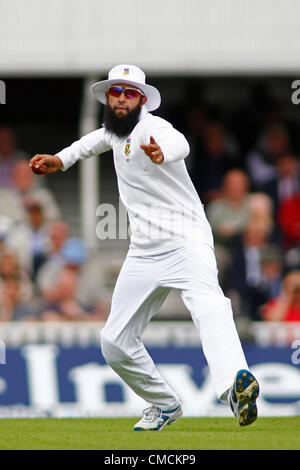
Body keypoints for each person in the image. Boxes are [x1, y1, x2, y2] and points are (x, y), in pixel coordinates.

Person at [29, 64, 259, 430]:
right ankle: (165, 404)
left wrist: (161, 154)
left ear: (141, 100)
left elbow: (179, 143)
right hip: (144, 252)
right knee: (113, 341)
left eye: (129, 93)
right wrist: (61, 159)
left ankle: (235, 386)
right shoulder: (113, 132)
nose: (121, 98)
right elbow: (91, 142)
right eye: (115, 92)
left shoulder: (156, 129)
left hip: (186, 241)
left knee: (210, 306)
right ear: (108, 98)